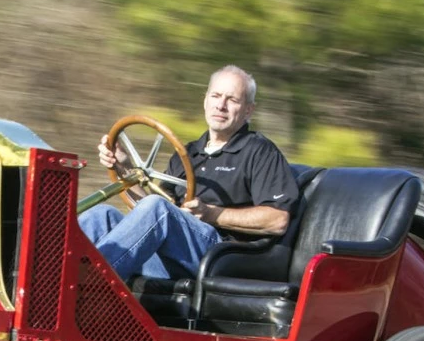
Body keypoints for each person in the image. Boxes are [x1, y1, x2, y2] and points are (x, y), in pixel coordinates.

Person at [78, 65, 298, 281]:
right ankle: (51, 277)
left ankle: (90, 281)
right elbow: (148, 214)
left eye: (232, 100)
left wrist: (211, 213)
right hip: (173, 254)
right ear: (205, 101)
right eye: (216, 96)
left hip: (220, 256)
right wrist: (124, 168)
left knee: (158, 209)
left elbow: (277, 219)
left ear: (248, 110)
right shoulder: (189, 153)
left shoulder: (259, 151)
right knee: (101, 216)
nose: (221, 106)